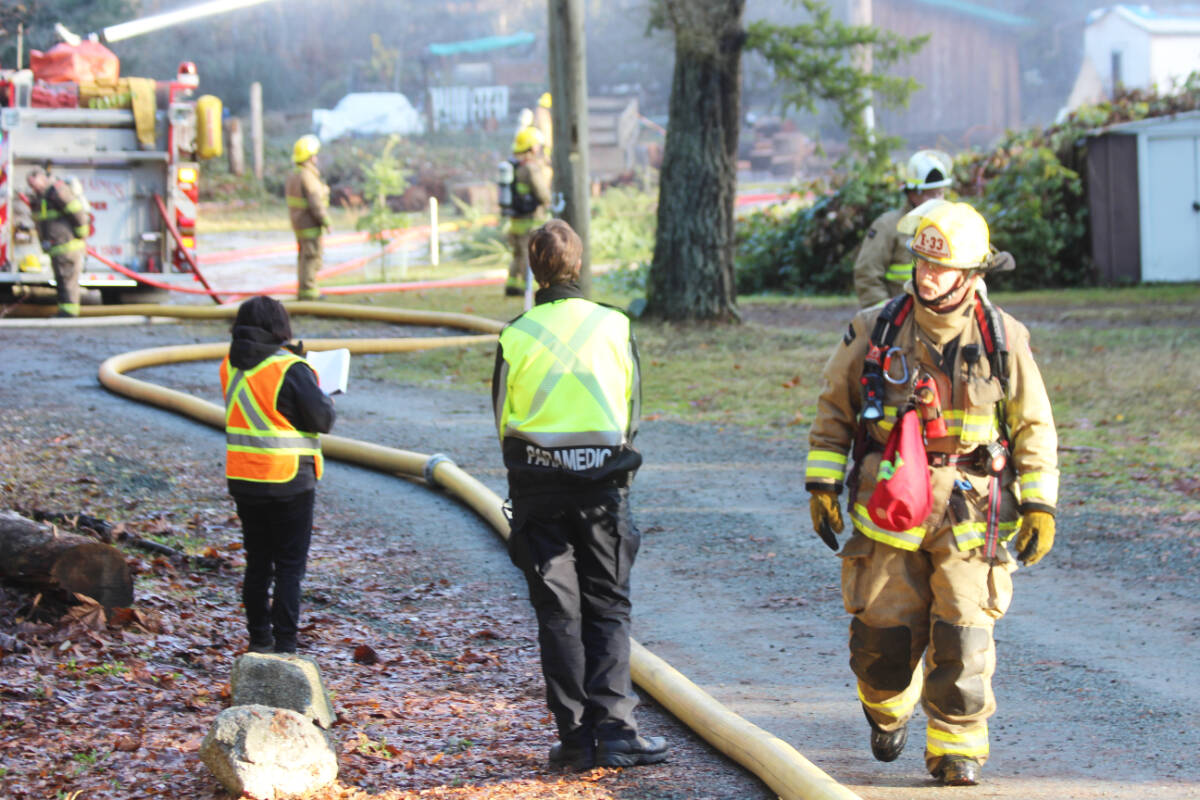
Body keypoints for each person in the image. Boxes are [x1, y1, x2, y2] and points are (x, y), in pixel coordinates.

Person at [805, 200, 1058, 786]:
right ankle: (886, 707)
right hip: (889, 506)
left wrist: (1040, 503)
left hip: (973, 511)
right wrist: (821, 483)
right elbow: (834, 412)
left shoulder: (1003, 338)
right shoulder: (875, 329)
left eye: (940, 268)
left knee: (965, 634)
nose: (926, 275)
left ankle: (956, 750)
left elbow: (1034, 426)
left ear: (972, 275)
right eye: (920, 263)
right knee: (882, 643)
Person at [492, 219, 667, 770]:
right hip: (603, 488)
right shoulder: (614, 325)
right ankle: (617, 732)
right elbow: (633, 409)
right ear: (579, 264)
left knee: (557, 611)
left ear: (533, 269)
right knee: (608, 606)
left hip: (539, 490)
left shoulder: (515, 333)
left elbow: (501, 418)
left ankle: (574, 739)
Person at [220, 296, 336, 654]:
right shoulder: (290, 368)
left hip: (244, 480)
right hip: (289, 480)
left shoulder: (230, 365)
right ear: (280, 326)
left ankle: (259, 639)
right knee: (289, 567)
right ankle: (285, 645)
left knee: (258, 563)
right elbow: (323, 420)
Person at [853, 150, 953, 308]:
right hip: (899, 321)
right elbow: (867, 275)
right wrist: (885, 314)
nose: (937, 201)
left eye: (940, 194)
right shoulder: (888, 226)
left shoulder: (950, 227)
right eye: (930, 195)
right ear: (912, 194)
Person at [26, 166, 89, 318]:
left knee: (67, 280)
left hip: (67, 245)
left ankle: (69, 314)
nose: (33, 187)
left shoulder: (57, 192)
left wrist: (81, 233)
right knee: (61, 280)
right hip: (57, 247)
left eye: (33, 183)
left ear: (41, 177)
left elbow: (77, 212)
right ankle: (65, 311)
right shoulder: (43, 196)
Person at [504, 126, 552, 297]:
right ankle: (527, 288)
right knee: (528, 254)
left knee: (517, 254)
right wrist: (549, 200)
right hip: (530, 221)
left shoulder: (514, 166)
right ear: (532, 147)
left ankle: (512, 284)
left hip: (515, 221)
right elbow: (541, 192)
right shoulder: (530, 168)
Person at [285, 134, 332, 301]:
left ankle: (305, 290)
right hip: (309, 223)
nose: (316, 158)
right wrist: (325, 221)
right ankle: (310, 292)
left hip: (299, 223)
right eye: (314, 155)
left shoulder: (294, 174)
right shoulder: (307, 176)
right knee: (311, 257)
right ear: (310, 157)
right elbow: (315, 201)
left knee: (304, 256)